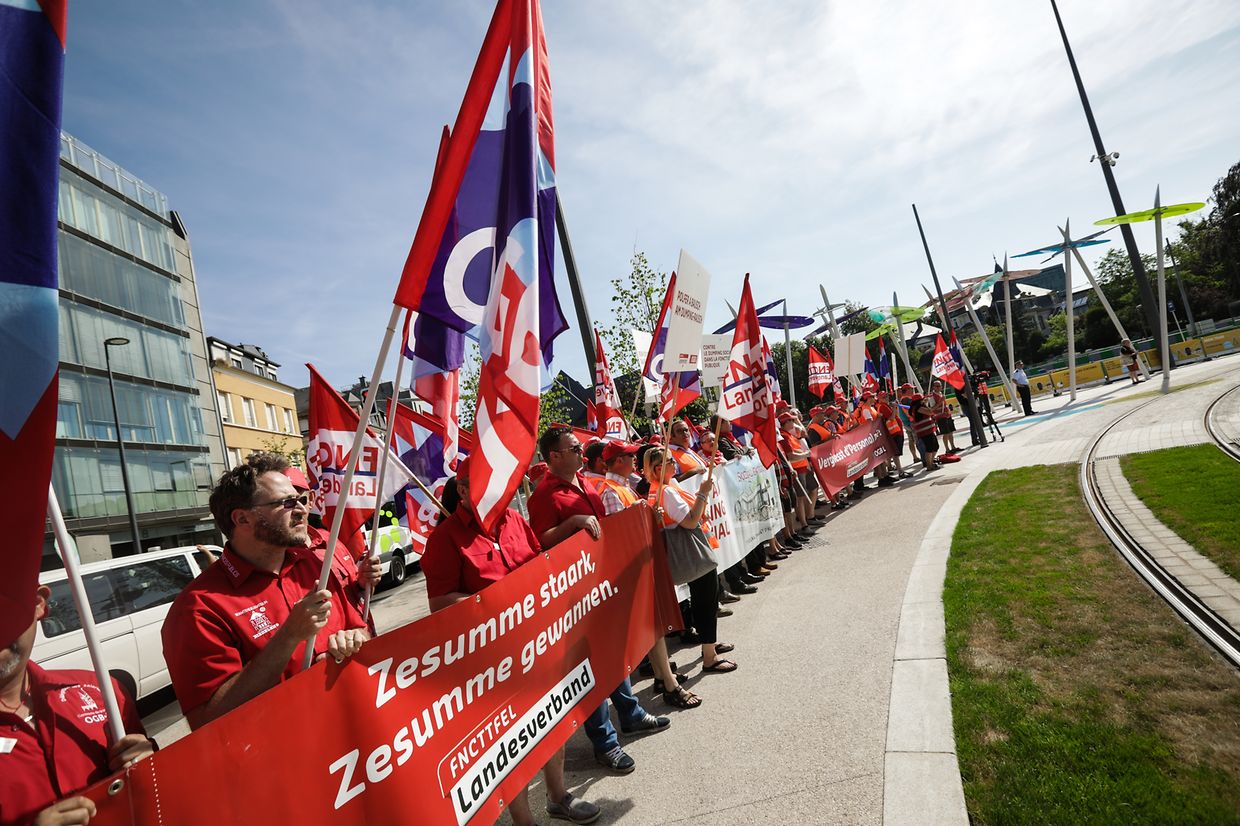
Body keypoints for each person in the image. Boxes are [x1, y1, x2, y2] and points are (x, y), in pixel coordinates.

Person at [421, 463, 601, 826]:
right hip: (493, 659)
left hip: (540, 640)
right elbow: (439, 603)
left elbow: (540, 564)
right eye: (483, 487)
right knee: (511, 740)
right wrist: (499, 603)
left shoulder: (515, 521)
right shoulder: (444, 539)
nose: (493, 494)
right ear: (462, 490)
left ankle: (557, 796)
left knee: (553, 720)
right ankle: (523, 820)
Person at [161, 453, 380, 731]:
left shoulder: (315, 564)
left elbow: (362, 630)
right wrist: (289, 636)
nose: (302, 509)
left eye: (302, 499)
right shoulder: (198, 608)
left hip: (357, 724)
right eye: (287, 503)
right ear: (242, 519)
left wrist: (353, 641)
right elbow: (209, 721)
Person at [527, 427, 670, 775]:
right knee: (588, 668)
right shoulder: (543, 495)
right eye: (573, 448)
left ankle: (631, 714)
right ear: (555, 456)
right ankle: (605, 743)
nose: (581, 451)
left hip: (599, 585)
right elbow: (541, 542)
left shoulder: (585, 482)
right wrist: (574, 522)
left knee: (611, 652)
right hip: (573, 596)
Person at [0, 585, 156, 826]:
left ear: (38, 604)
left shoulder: (102, 690)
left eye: (5, 606)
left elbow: (155, 799)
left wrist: (154, 767)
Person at [596, 441, 702, 710]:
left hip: (641, 563)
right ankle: (668, 684)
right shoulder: (611, 491)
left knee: (654, 627)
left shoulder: (622, 488)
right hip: (632, 567)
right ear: (618, 460)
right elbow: (622, 533)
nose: (635, 461)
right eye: (630, 457)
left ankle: (662, 677)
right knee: (651, 628)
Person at [643, 449, 737, 674]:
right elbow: (690, 521)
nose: (674, 464)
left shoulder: (663, 489)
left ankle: (710, 644)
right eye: (669, 461)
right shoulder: (666, 492)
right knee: (706, 599)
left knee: (704, 598)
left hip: (688, 553)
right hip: (691, 553)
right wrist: (703, 494)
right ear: (658, 469)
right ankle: (709, 656)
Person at [908, 394, 940, 471]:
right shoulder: (918, 408)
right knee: (929, 448)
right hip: (925, 431)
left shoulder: (918, 407)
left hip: (928, 430)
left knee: (935, 446)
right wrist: (939, 403)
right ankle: (929, 465)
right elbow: (930, 412)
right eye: (922, 399)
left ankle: (930, 462)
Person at [928, 380, 958, 454]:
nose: (939, 387)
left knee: (950, 431)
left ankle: (953, 447)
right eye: (937, 386)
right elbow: (932, 408)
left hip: (947, 415)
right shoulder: (932, 396)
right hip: (940, 416)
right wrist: (940, 402)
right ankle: (947, 449)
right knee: (945, 433)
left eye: (940, 386)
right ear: (933, 387)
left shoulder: (941, 393)